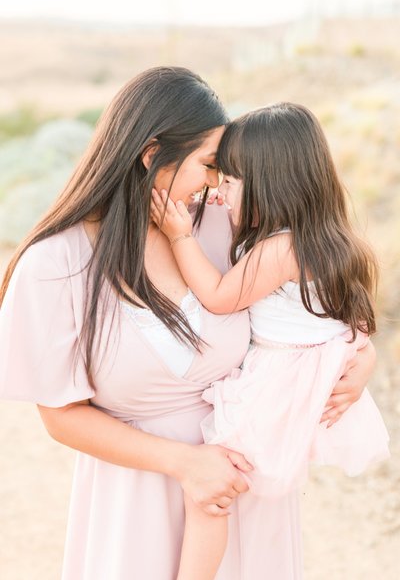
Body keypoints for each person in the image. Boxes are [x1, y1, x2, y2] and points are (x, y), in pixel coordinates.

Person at [0, 70, 377, 580]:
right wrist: (185, 464)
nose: (216, 184)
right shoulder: (53, 265)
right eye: (208, 165)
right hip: (140, 499)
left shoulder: (224, 227)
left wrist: (362, 358)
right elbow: (61, 417)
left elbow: (312, 301)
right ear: (152, 153)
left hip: (247, 491)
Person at [150, 102, 390, 580]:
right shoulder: (327, 238)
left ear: (269, 184)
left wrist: (180, 237)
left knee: (214, 488)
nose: (220, 190)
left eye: (232, 181)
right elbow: (358, 324)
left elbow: (220, 297)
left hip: (277, 388)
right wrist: (364, 359)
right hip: (302, 376)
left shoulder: (281, 249)